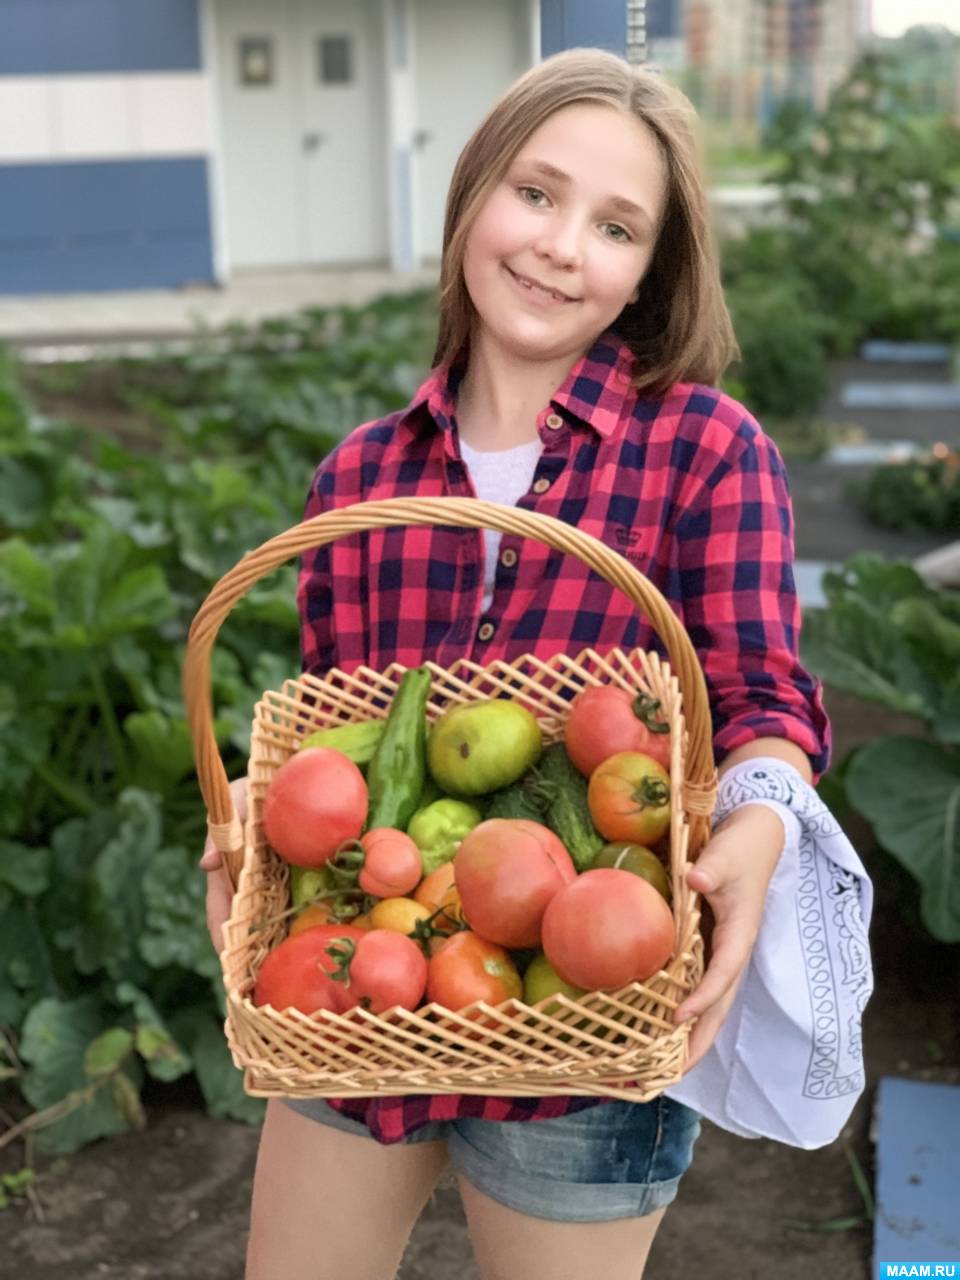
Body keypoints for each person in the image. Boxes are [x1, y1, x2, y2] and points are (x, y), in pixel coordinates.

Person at [200, 48, 831, 1280]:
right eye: (536, 193)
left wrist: (752, 839)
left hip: (583, 1022)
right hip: (361, 985)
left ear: (652, 270)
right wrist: (243, 831)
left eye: (615, 225)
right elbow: (328, 739)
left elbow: (762, 699)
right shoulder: (361, 478)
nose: (559, 244)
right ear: (474, 195)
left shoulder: (704, 448)